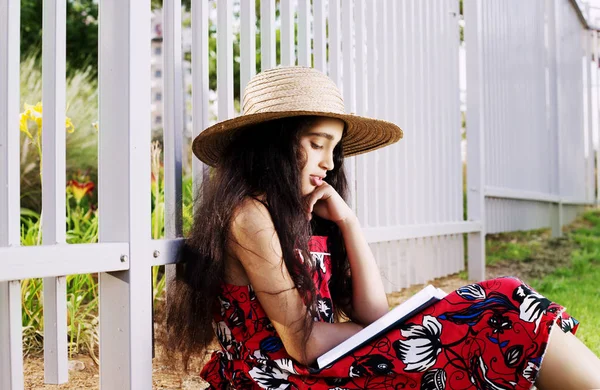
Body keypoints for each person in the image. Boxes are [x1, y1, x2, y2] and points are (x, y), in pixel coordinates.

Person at [167, 66, 600, 390]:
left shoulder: (302, 212)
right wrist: (417, 326)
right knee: (501, 305)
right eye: (316, 143)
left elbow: (372, 312)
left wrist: (349, 223)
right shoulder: (249, 216)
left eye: (335, 149)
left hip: (328, 361)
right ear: (272, 144)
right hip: (284, 377)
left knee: (502, 307)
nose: (329, 163)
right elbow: (301, 343)